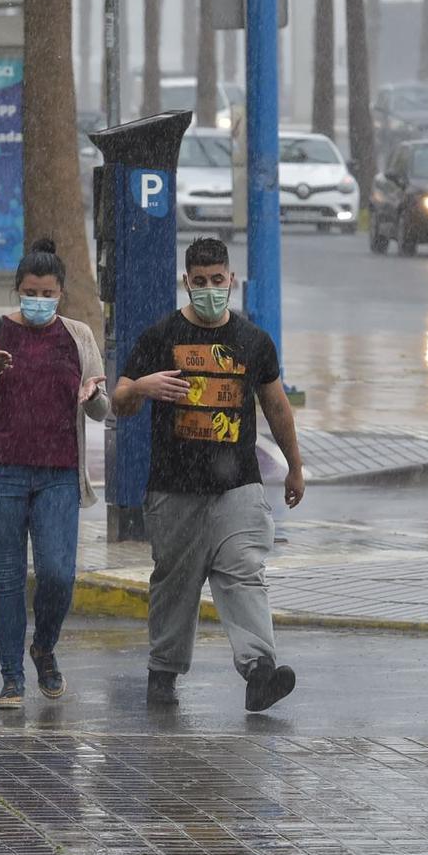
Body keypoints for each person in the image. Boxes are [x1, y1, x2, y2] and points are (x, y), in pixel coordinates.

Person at [113, 237, 305, 713]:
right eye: (199, 282)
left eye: (217, 281)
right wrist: (143, 384)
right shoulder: (161, 337)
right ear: (187, 283)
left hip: (237, 485)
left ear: (230, 280)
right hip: (174, 488)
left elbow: (277, 406)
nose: (209, 290)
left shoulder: (252, 341)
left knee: (243, 572)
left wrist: (295, 467)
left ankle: (260, 671)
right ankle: (164, 670)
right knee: (174, 582)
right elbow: (119, 400)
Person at [0, 239, 110, 710]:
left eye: (47, 292)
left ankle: (43, 646)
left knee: (59, 575)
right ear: (17, 289)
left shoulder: (79, 336)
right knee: (6, 579)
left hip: (58, 475)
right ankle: (10, 677)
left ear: (61, 293)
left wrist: (92, 394)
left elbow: (102, 407)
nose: (38, 300)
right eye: (29, 291)